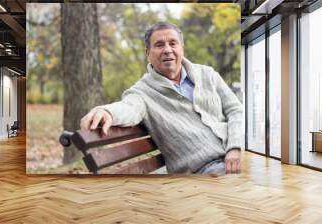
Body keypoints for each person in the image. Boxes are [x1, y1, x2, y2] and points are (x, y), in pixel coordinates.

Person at [80, 22, 243, 175]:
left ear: (182, 48)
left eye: (173, 43)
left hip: (237, 153)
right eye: (159, 45)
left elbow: (235, 110)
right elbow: (129, 108)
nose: (167, 49)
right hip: (203, 170)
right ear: (148, 54)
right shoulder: (142, 93)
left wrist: (234, 147)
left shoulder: (207, 74)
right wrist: (107, 111)